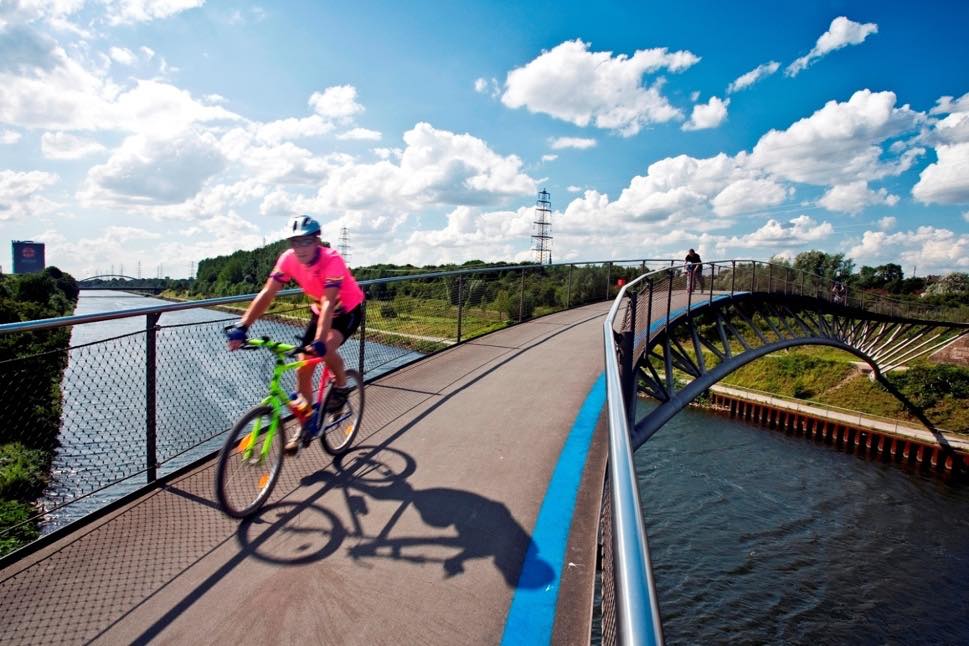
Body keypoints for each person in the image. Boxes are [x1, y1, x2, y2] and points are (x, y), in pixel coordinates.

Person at [225, 215, 365, 453]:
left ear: (317, 241)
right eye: (295, 242)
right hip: (318, 310)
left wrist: (320, 341)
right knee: (303, 367)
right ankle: (306, 423)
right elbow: (268, 293)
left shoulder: (332, 261)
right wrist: (243, 325)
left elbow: (330, 304)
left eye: (306, 241)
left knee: (327, 346)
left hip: (346, 311)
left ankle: (341, 386)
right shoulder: (288, 259)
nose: (300, 248)